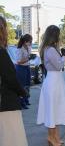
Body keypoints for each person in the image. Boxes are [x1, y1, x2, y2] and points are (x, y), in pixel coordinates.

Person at [37, 25, 65, 146]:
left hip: (55, 80)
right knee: (52, 109)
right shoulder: (50, 50)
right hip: (53, 81)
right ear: (54, 35)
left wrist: (62, 56)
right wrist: (64, 56)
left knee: (55, 109)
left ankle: (54, 137)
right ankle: (52, 138)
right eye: (58, 34)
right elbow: (58, 66)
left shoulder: (50, 48)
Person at [0, 16, 28, 146]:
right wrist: (23, 92)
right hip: (6, 104)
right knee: (13, 139)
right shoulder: (1, 52)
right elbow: (10, 79)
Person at [16, 34, 33, 109]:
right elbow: (19, 61)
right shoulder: (20, 49)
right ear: (25, 41)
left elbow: (28, 56)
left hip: (27, 67)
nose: (30, 43)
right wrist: (28, 59)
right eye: (29, 41)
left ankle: (26, 100)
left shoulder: (28, 47)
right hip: (21, 68)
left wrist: (31, 57)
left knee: (27, 84)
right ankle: (21, 103)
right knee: (22, 85)